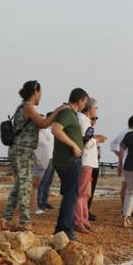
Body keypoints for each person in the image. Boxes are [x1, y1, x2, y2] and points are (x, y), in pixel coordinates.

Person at [1, 81, 58, 231]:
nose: (40, 96)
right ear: (35, 92)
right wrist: (58, 110)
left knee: (19, 186)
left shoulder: (22, 106)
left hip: (20, 150)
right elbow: (44, 124)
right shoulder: (28, 106)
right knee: (25, 186)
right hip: (22, 150)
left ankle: (6, 219)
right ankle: (25, 221)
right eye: (40, 93)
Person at [52, 88, 90, 240]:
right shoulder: (68, 113)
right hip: (69, 160)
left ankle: (62, 228)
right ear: (80, 100)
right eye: (84, 102)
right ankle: (65, 229)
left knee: (70, 194)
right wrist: (74, 146)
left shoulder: (70, 113)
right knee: (71, 195)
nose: (84, 105)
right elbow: (56, 129)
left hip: (70, 160)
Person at [75, 98, 107, 233]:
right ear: (89, 108)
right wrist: (97, 139)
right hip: (85, 161)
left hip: (89, 162)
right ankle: (78, 221)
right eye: (95, 108)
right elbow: (85, 142)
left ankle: (84, 219)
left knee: (86, 193)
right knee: (81, 193)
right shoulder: (84, 121)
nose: (96, 110)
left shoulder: (85, 121)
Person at [112, 114, 133, 207]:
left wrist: (120, 157)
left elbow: (113, 146)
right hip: (130, 162)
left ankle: (126, 207)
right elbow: (117, 147)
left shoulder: (123, 132)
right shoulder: (129, 134)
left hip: (126, 161)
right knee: (128, 187)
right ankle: (127, 208)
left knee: (126, 186)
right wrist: (121, 156)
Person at [31, 113, 55, 215]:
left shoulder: (46, 131)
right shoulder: (35, 132)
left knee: (45, 182)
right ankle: (36, 205)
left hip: (48, 159)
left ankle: (41, 203)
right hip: (39, 160)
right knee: (37, 184)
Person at [87, 115, 101, 221]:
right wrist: (97, 140)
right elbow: (86, 145)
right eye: (93, 118)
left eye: (96, 118)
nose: (95, 120)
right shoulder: (87, 130)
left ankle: (87, 210)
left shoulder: (91, 131)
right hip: (88, 163)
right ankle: (84, 212)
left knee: (90, 190)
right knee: (86, 191)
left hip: (94, 162)